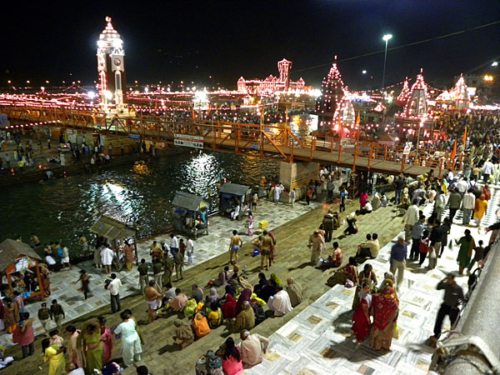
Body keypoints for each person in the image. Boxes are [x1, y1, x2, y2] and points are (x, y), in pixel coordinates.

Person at [430, 274, 464, 347]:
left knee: (454, 323)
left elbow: (462, 299)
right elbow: (438, 287)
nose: (448, 281)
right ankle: (436, 335)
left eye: (450, 279)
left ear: (453, 279)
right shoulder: (446, 285)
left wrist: (459, 303)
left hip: (453, 308)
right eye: (448, 279)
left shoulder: (458, 289)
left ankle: (453, 337)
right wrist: (443, 280)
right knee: (439, 320)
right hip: (445, 305)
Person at [370, 286, 399, 351]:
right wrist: (394, 321)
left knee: (378, 336)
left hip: (378, 322)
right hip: (388, 323)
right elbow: (396, 313)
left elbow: (373, 303)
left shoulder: (378, 299)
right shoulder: (393, 303)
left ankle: (377, 347)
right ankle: (386, 347)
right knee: (386, 336)